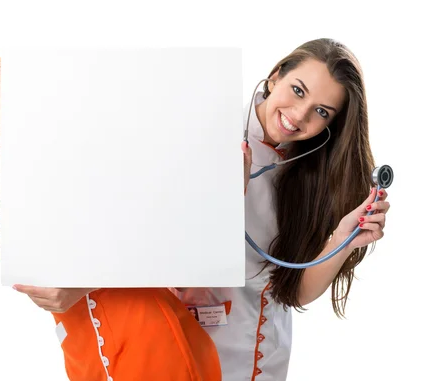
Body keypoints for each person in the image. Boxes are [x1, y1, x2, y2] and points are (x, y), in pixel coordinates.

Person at [30, 38, 391, 380]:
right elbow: (146, 240)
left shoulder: (312, 174)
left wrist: (342, 240)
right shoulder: (200, 126)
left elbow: (292, 290)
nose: (298, 116)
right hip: (187, 347)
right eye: (297, 90)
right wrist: (221, 201)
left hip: (264, 359)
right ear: (277, 74)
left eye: (321, 112)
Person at [0, 33, 222, 381]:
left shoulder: (84, 122)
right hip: (87, 367)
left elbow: (173, 227)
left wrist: (84, 283)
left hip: (161, 352)